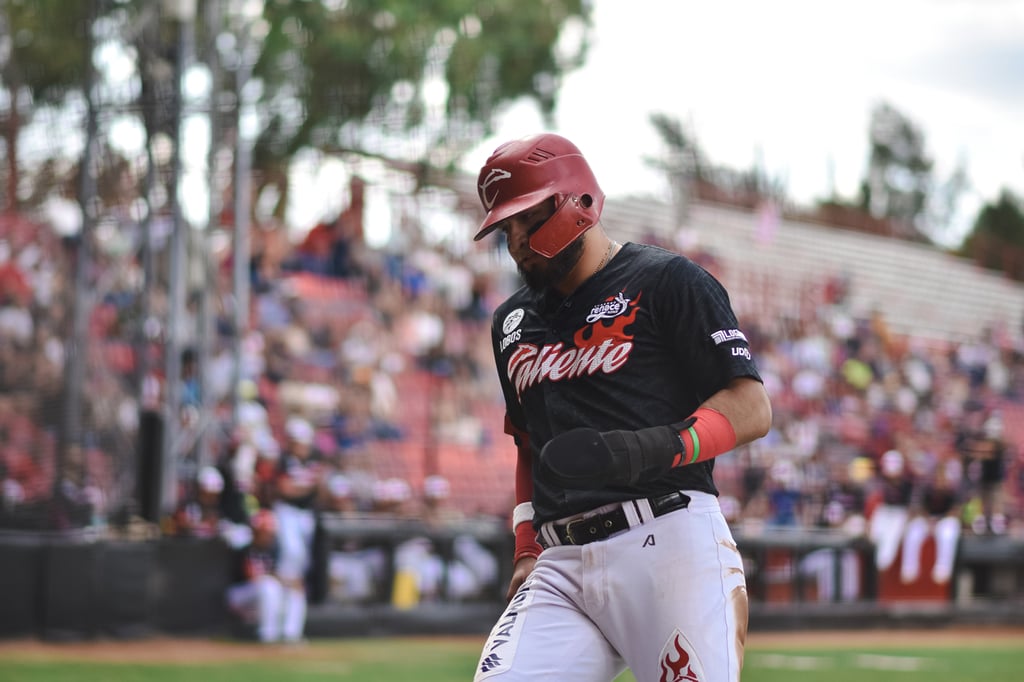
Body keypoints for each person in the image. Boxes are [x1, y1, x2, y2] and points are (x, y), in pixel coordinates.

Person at [469, 133, 772, 682]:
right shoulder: (509, 323)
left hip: (668, 538)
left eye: (526, 220)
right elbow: (529, 446)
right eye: (504, 230)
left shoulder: (666, 281)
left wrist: (653, 447)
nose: (514, 241)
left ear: (576, 201)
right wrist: (524, 550)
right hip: (559, 562)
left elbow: (751, 406)